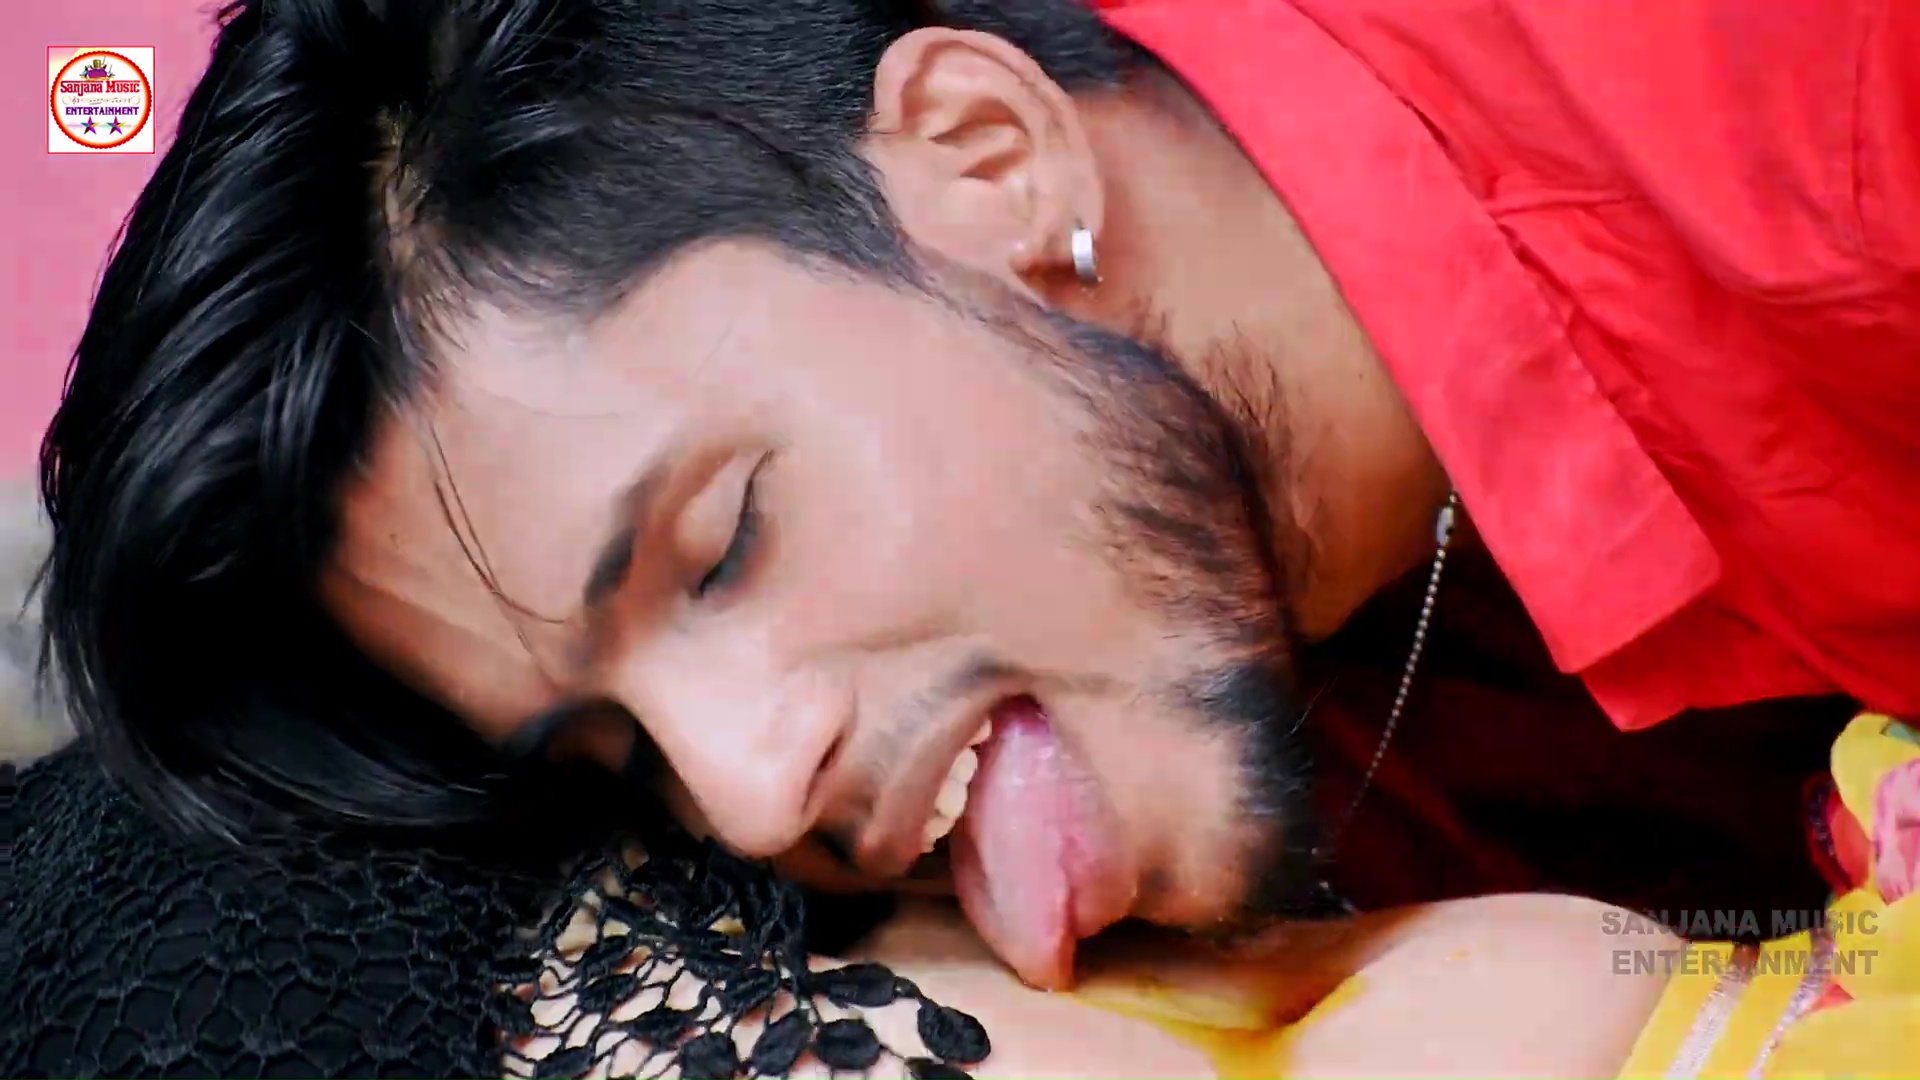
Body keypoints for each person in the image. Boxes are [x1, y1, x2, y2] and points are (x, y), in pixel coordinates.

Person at [17, 0, 1919, 1073]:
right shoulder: (1269, 756)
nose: (748, 792)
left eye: (723, 543)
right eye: (622, 752)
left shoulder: (1833, 129)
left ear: (986, 156)